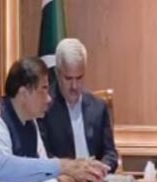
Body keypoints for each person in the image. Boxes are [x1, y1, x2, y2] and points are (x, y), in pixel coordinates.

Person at [41, 39, 119, 172]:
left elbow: (110, 154)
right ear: (57, 73)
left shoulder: (98, 107)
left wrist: (100, 168)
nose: (74, 86)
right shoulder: (44, 108)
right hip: (62, 181)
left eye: (79, 78)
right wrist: (73, 170)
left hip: (95, 181)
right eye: (68, 78)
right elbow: (43, 157)